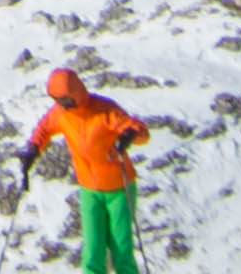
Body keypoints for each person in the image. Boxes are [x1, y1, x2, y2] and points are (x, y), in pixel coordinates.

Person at [20, 66, 152, 274]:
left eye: (63, 100)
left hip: (119, 188)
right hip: (89, 189)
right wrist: (33, 149)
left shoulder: (104, 110)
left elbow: (140, 131)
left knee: (121, 249)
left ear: (76, 94)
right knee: (92, 251)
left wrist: (129, 135)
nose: (60, 105)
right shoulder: (61, 114)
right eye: (56, 100)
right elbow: (44, 129)